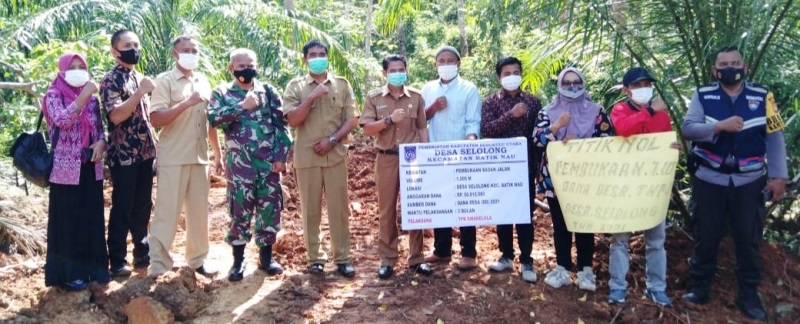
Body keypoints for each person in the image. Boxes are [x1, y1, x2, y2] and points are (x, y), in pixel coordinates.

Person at [681, 46, 787, 321]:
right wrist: (718, 127)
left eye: (735, 63)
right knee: (706, 233)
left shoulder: (763, 96)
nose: (730, 68)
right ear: (715, 71)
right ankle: (700, 286)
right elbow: (688, 128)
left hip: (749, 180)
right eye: (724, 64)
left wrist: (778, 177)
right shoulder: (703, 95)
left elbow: (775, 137)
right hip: (710, 178)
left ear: (745, 67)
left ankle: (748, 294)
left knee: (748, 237)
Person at [208, 48, 292, 282]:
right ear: (231, 68)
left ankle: (266, 258)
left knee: (269, 210)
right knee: (239, 212)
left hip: (268, 165)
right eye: (241, 65)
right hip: (239, 167)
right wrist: (241, 106)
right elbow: (213, 119)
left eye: (250, 64)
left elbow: (282, 126)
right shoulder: (222, 92)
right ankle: (238, 260)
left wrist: (280, 157)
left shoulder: (268, 91)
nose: (247, 69)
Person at [283, 40, 359, 277]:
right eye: (313, 54)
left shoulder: (342, 85)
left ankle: (342, 258)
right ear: (305, 59)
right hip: (306, 158)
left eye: (322, 54)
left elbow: (352, 119)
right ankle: (315, 258)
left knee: (339, 210)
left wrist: (333, 140)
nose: (318, 58)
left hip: (335, 156)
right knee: (310, 210)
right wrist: (312, 97)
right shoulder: (295, 87)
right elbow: (293, 120)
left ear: (328, 57)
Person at [147, 36, 221, 278]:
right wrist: (186, 103)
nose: (190, 53)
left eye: (194, 50)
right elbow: (156, 119)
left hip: (200, 157)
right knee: (167, 213)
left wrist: (217, 152)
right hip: (174, 156)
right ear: (174, 54)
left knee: (199, 213)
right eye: (185, 50)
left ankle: (197, 260)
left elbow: (209, 121)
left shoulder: (203, 80)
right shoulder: (165, 81)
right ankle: (159, 265)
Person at [534, 67, 613, 291]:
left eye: (576, 82)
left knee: (584, 224)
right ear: (559, 84)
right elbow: (537, 140)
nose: (572, 87)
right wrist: (557, 127)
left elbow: (607, 140)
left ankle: (586, 270)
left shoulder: (597, 111)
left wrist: (581, 145)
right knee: (561, 225)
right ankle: (562, 268)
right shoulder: (547, 112)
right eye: (567, 83)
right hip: (556, 180)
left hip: (586, 179)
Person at [359, 54, 434, 279]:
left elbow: (422, 128)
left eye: (401, 69)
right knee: (387, 210)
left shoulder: (416, 97)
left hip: (412, 158)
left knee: (416, 207)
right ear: (384, 73)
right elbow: (366, 128)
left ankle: (417, 258)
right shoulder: (374, 98)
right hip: (386, 158)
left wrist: (427, 154)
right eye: (393, 70)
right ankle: (388, 259)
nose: (398, 73)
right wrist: (389, 119)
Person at [42, 52, 109, 291]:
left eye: (82, 66)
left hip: (90, 166)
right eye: (73, 66)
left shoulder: (92, 100)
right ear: (62, 70)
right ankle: (70, 274)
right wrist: (83, 96)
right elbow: (61, 120)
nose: (78, 69)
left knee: (91, 219)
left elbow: (99, 129)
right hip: (65, 169)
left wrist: (101, 143)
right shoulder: (53, 95)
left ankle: (95, 270)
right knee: (69, 222)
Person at [608, 67, 673, 306]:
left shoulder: (663, 117)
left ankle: (657, 288)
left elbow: (666, 140)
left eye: (647, 84)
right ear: (626, 90)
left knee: (656, 240)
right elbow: (623, 129)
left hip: (653, 186)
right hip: (625, 186)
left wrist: (672, 148)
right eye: (637, 85)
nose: (643, 89)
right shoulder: (620, 110)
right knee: (620, 239)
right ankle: (617, 287)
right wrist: (649, 111)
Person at [100, 29, 157, 277]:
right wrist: (139, 92)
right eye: (127, 45)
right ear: (115, 51)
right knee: (122, 205)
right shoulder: (111, 80)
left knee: (143, 204)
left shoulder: (139, 77)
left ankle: (142, 254)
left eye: (136, 44)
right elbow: (115, 115)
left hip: (145, 153)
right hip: (123, 154)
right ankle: (117, 259)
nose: (133, 48)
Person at [480, 56, 541, 282]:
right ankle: (506, 256)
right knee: (503, 214)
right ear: (499, 77)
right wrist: (511, 115)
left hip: (525, 168)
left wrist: (537, 168)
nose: (511, 77)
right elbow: (487, 129)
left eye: (516, 72)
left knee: (525, 215)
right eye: (507, 74)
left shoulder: (533, 102)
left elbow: (538, 136)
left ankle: (527, 260)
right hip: (499, 169)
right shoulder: (491, 103)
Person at [421, 45, 482, 271]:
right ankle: (442, 250)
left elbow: (473, 120)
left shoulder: (469, 89)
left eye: (450, 61)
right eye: (441, 61)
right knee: (440, 201)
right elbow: (420, 120)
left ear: (458, 64)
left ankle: (468, 252)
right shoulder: (427, 89)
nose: (445, 64)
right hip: (435, 154)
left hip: (461, 153)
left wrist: (471, 138)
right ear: (436, 65)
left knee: (464, 201)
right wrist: (433, 107)